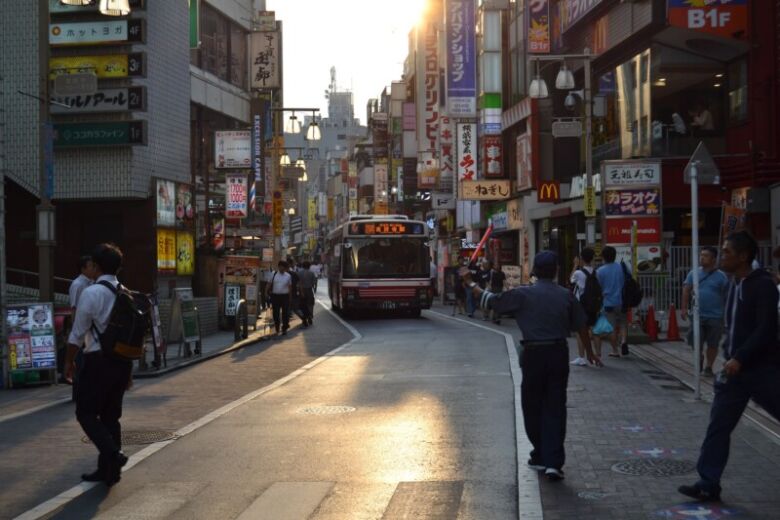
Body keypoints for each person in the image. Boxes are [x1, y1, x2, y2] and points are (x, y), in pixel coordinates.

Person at [461, 251, 601, 481]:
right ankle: (554, 462)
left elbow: (489, 300)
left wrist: (470, 282)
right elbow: (581, 327)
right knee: (555, 406)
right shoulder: (566, 296)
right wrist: (592, 353)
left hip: (534, 354)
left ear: (535, 270)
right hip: (558, 353)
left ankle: (540, 454)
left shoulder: (523, 294)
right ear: (556, 270)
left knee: (532, 405)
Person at [679, 231, 780, 502]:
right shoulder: (734, 283)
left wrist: (741, 356)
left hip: (761, 369)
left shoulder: (762, 286)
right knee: (718, 425)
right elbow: (734, 327)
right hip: (735, 371)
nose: (722, 256)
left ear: (743, 256)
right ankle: (707, 482)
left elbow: (766, 328)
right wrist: (728, 355)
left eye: (726, 252)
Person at [64, 243, 131, 487]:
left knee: (86, 413)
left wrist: (68, 362)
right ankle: (109, 472)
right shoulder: (126, 292)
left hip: (97, 361)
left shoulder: (91, 294)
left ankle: (113, 455)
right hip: (122, 362)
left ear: (97, 265)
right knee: (111, 416)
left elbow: (77, 334)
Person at [680, 246, 729, 376]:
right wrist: (684, 308)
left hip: (716, 315)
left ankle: (709, 366)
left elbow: (726, 295)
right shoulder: (693, 273)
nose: (702, 258)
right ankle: (699, 356)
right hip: (697, 314)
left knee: (713, 343)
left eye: (706, 256)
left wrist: (727, 314)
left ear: (713, 259)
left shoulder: (721, 277)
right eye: (701, 255)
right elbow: (686, 290)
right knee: (695, 340)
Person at [596, 246, 628, 358]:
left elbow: (598, 288)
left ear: (604, 257)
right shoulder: (621, 267)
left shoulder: (600, 271)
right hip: (622, 301)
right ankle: (624, 341)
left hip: (608, 302)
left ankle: (615, 350)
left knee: (612, 328)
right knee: (623, 323)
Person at [569, 248, 597, 366]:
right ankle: (596, 353)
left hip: (581, 304)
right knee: (591, 329)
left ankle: (582, 357)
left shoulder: (578, 273)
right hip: (593, 304)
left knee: (580, 331)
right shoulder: (597, 272)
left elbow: (571, 281)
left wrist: (575, 265)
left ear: (581, 259)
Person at [266, 260, 292, 335]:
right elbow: (269, 284)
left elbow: (290, 287)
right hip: (275, 296)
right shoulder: (273, 274)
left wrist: (290, 297)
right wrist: (266, 293)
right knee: (276, 313)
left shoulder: (288, 276)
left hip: (285, 296)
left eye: (285, 267)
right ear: (279, 266)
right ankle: (277, 326)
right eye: (282, 267)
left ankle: (284, 328)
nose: (283, 269)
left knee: (285, 313)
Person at [298, 261, 317, 327]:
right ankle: (310, 316)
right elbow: (314, 283)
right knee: (310, 304)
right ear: (309, 266)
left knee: (302, 305)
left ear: (303, 266)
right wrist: (313, 288)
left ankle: (304, 318)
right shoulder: (312, 273)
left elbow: (298, 283)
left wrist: (301, 291)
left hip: (301, 290)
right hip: (309, 290)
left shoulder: (299, 273)